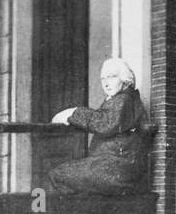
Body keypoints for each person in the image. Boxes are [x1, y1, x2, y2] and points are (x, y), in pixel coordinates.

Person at [48, 57, 153, 196]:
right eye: (103, 79)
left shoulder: (123, 99)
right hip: (118, 167)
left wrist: (73, 113)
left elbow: (105, 123)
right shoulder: (125, 98)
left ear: (125, 79)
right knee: (64, 175)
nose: (106, 83)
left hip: (118, 169)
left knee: (58, 174)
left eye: (112, 77)